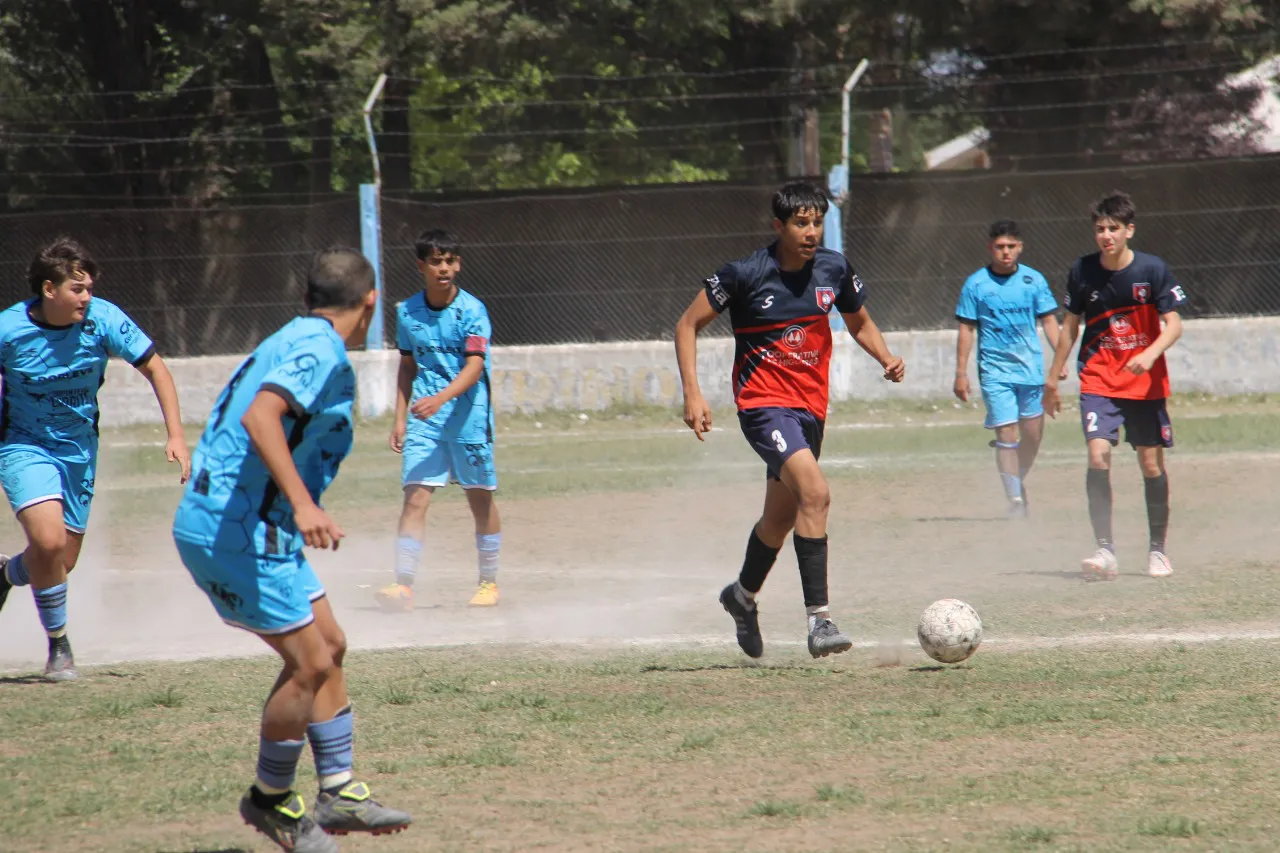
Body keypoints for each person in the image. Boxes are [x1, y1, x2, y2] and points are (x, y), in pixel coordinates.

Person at [172, 247, 411, 852]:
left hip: (257, 525)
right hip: (234, 531)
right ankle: (271, 800)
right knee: (307, 663)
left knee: (330, 645)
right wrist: (305, 504)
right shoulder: (320, 347)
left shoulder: (295, 333)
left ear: (307, 297)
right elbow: (261, 416)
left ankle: (340, 791)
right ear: (370, 301)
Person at [674, 181, 906, 660]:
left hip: (810, 409)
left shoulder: (833, 268)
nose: (811, 232)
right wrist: (693, 392)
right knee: (817, 494)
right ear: (778, 226)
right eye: (801, 223)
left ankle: (741, 597)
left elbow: (858, 320)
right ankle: (820, 621)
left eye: (816, 222)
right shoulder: (744, 274)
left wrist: (885, 357)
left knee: (780, 518)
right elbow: (687, 324)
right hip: (763, 406)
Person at [0, 237, 190, 682]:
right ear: (49, 290)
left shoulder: (104, 320)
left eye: (89, 288)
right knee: (47, 544)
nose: (87, 297)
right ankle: (59, 647)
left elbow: (156, 368)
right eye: (77, 289)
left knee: (61, 562)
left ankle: (7, 573)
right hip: (24, 445)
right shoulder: (8, 329)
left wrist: (177, 436)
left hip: (80, 451)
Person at [1045, 191, 1188, 581]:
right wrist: (1052, 378)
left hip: (1145, 384)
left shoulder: (1152, 270)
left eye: (1113, 228)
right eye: (1099, 229)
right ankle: (1105, 549)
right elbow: (1071, 325)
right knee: (1097, 457)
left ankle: (1157, 551)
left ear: (1129, 230)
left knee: (1150, 464)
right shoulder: (1083, 270)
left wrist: (1150, 353)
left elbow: (1173, 323)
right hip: (1099, 378)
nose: (1105, 235)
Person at [376, 229, 501, 612]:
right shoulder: (408, 313)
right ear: (421, 266)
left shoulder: (473, 311)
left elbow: (475, 367)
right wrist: (399, 418)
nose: (443, 268)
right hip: (424, 422)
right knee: (415, 497)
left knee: (479, 499)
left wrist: (440, 399)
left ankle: (488, 583)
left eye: (450, 261)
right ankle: (404, 585)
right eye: (435, 261)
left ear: (458, 264)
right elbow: (407, 366)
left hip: (468, 418)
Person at [954, 220, 1063, 518]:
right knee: (1007, 434)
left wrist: (1060, 358)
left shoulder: (1034, 281)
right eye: (1000, 247)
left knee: (1032, 436)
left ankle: (1016, 481)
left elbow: (1049, 321)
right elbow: (966, 329)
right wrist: (961, 373)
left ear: (1020, 248)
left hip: (1030, 371)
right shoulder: (976, 284)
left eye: (1011, 247)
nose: (1005, 253)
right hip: (995, 372)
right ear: (990, 248)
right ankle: (1015, 500)